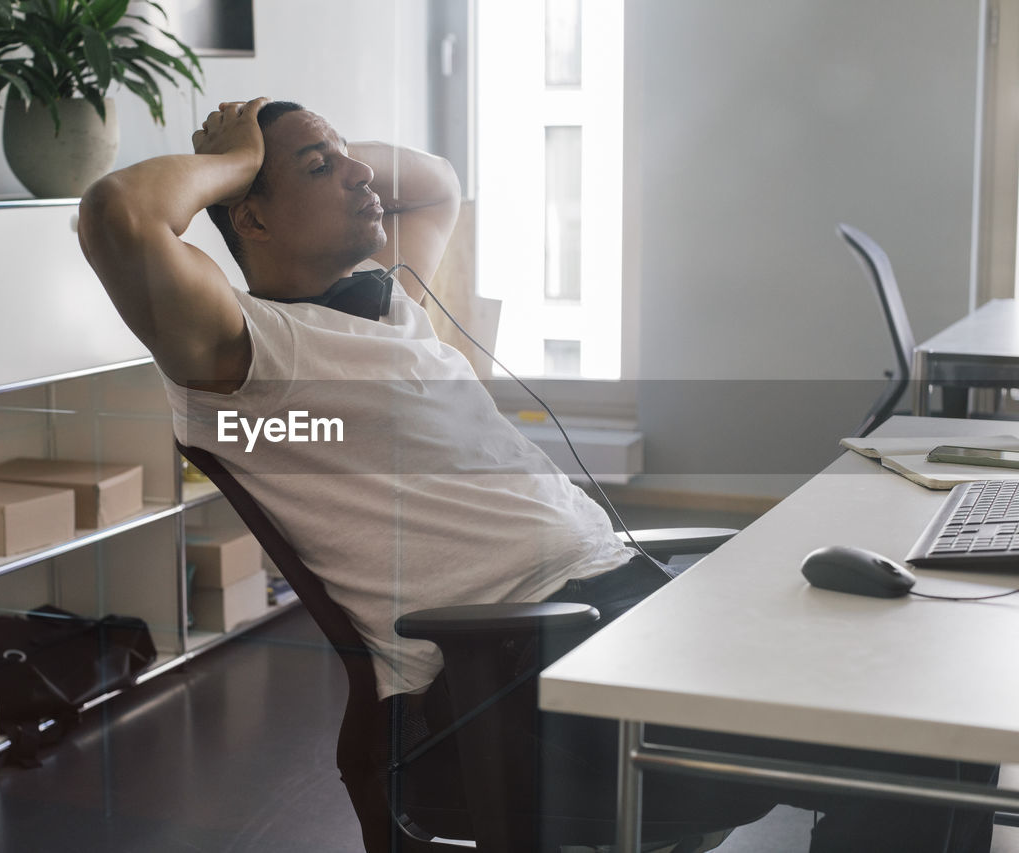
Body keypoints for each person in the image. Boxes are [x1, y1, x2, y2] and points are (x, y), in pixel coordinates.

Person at [78, 98, 995, 852]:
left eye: (351, 157)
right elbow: (118, 215)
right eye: (323, 169)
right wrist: (238, 153)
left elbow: (433, 183)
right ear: (252, 214)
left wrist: (314, 147)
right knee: (911, 734)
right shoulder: (247, 350)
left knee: (928, 702)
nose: (362, 175)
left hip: (621, 609)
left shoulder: (391, 303)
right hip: (518, 675)